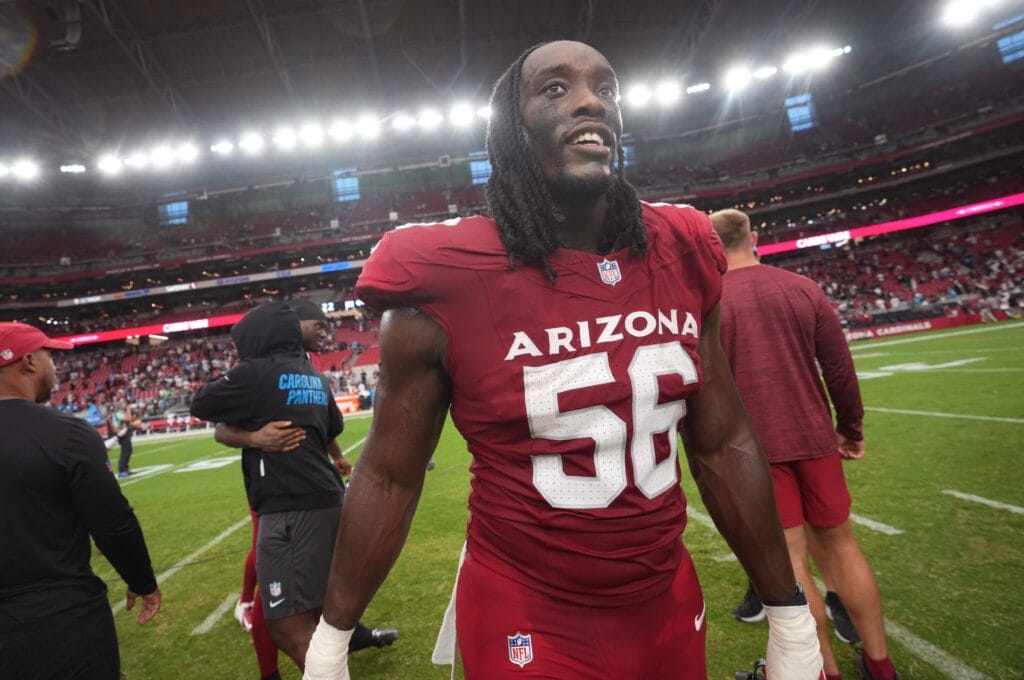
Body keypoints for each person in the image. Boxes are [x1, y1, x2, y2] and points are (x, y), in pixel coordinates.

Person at [304, 41, 823, 680]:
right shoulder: (444, 278)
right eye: (555, 89)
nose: (589, 101)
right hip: (525, 605)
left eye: (606, 88)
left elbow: (721, 441)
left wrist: (789, 611)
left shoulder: (681, 251)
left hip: (663, 596)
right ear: (511, 132)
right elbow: (388, 474)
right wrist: (331, 638)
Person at [709, 209, 900, 680]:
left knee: (791, 563)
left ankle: (825, 671)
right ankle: (880, 665)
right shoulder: (801, 288)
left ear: (713, 247)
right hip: (814, 438)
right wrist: (850, 430)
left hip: (753, 450)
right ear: (754, 237)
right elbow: (839, 370)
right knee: (843, 547)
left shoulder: (706, 301)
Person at [189, 302, 396, 678]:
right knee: (315, 616)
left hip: (290, 510)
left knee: (286, 625)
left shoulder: (255, 373)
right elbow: (333, 426)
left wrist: (252, 432)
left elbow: (200, 403)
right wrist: (254, 434)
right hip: (325, 499)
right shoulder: (312, 376)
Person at [0, 322, 161, 679]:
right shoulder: (66, 433)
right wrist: (142, 581)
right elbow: (113, 524)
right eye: (49, 355)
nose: (55, 366)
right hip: (60, 616)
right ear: (28, 362)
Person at [112, 399, 136, 477]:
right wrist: (129, 410)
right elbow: (128, 418)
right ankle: (121, 470)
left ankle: (125, 468)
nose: (125, 405)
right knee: (125, 452)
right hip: (122, 434)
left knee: (128, 450)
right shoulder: (118, 414)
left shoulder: (121, 413)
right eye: (123, 404)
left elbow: (131, 419)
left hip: (125, 433)